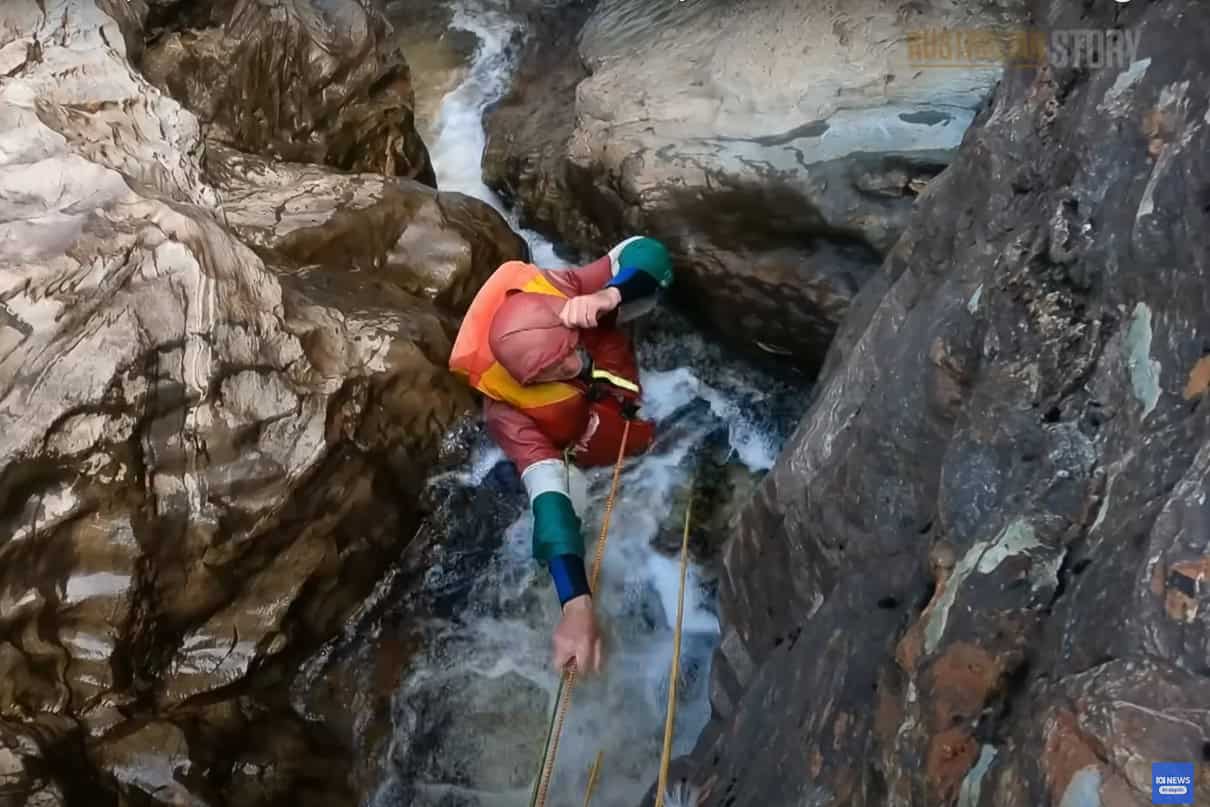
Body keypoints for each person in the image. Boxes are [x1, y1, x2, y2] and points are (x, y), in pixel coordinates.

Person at [449, 236, 674, 675]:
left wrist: (610, 293)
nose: (568, 368)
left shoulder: (564, 290)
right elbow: (549, 500)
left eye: (565, 355)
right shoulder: (507, 415)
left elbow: (647, 250)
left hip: (631, 396)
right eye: (546, 373)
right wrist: (575, 603)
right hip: (605, 445)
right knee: (558, 495)